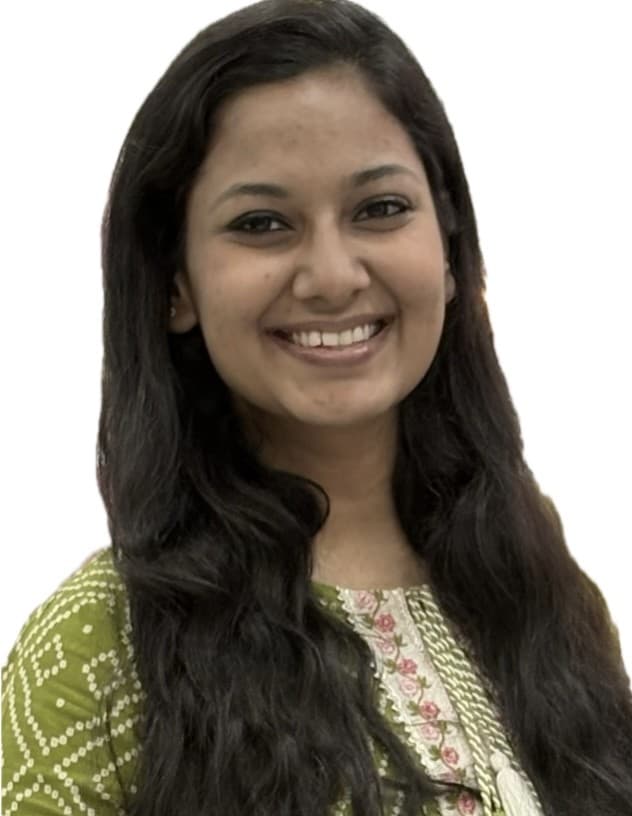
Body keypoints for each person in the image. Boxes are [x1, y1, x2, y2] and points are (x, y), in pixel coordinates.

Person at [2, 0, 631, 813]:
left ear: (448, 249)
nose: (333, 276)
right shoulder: (102, 647)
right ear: (175, 284)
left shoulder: (543, 599)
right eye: (262, 223)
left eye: (380, 209)